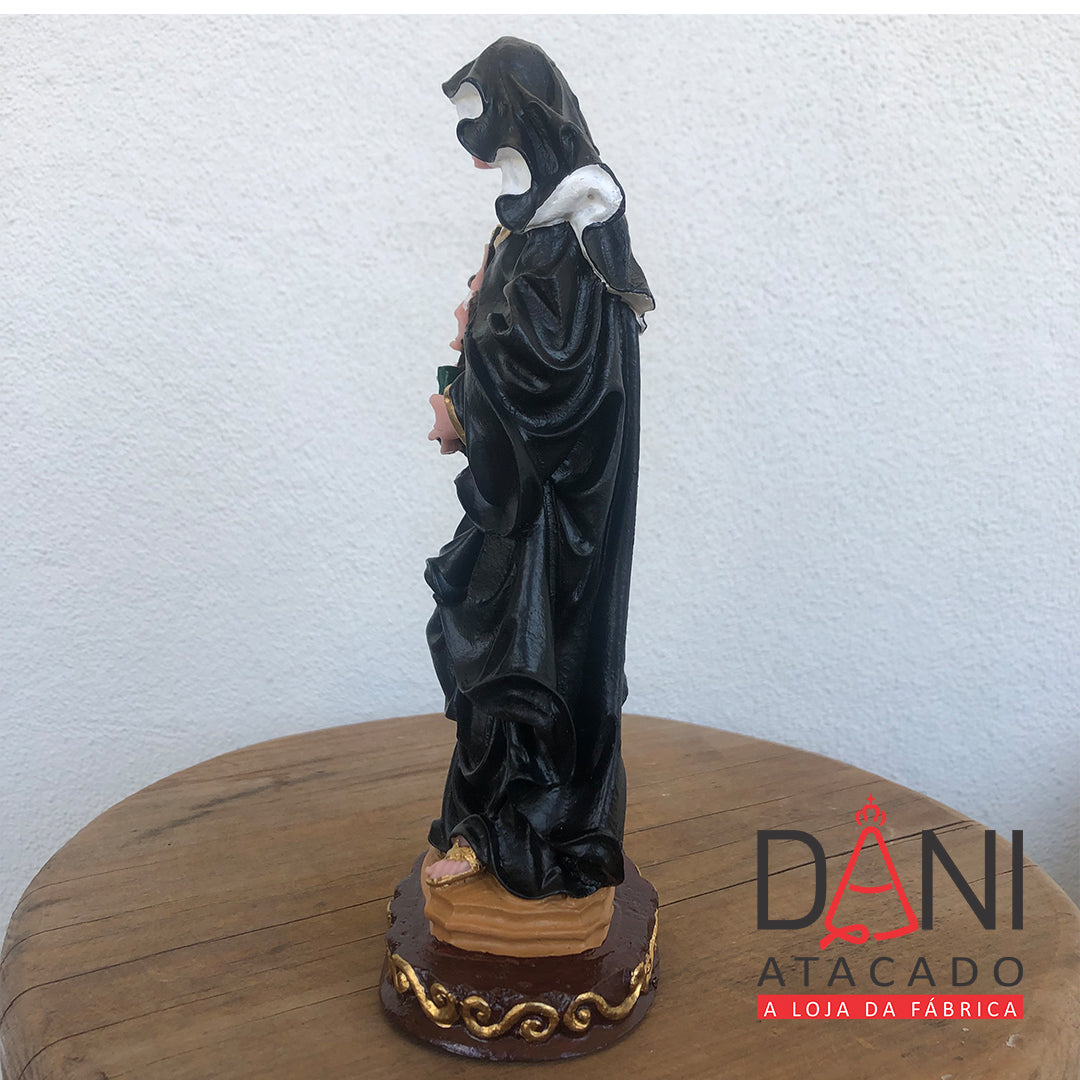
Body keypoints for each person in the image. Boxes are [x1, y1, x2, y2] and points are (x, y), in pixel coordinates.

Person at [424, 38, 653, 901]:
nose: (479, 149)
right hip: (514, 503)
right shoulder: (528, 232)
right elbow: (507, 342)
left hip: (552, 518)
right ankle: (480, 827)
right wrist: (473, 344)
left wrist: (469, 384)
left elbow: (558, 386)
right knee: (492, 655)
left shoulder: (578, 238)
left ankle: (529, 833)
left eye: (486, 122)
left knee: (531, 663)